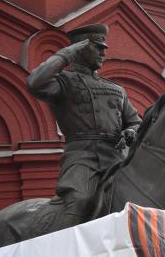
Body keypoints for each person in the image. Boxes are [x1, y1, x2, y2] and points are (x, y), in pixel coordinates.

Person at [26, 24, 141, 229]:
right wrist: (66, 54)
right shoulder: (64, 82)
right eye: (97, 47)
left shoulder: (116, 89)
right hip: (82, 159)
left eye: (104, 47)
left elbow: (135, 122)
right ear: (80, 48)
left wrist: (131, 131)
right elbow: (35, 82)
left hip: (117, 160)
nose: (103, 52)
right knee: (79, 200)